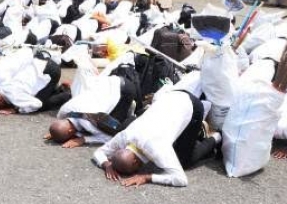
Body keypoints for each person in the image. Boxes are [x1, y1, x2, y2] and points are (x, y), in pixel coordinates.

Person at [92, 78, 220, 187]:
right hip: (172, 95)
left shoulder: (157, 148)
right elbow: (99, 153)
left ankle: (217, 137)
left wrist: (146, 177)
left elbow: (181, 179)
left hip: (193, 106)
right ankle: (196, 135)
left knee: (184, 161)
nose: (138, 172)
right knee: (175, 148)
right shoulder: (125, 136)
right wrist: (107, 164)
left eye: (134, 170)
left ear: (136, 163)